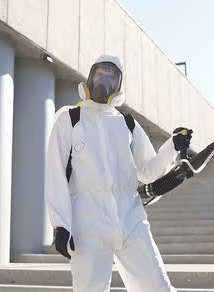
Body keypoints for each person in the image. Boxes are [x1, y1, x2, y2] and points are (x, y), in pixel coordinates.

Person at [45, 54, 192, 291]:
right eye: (100, 73)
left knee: (157, 287)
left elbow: (148, 171)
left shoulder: (127, 123)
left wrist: (172, 146)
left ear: (118, 85)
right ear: (90, 77)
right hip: (87, 222)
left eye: (111, 75)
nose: (104, 79)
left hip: (130, 217)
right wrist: (60, 224)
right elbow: (55, 175)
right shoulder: (70, 119)